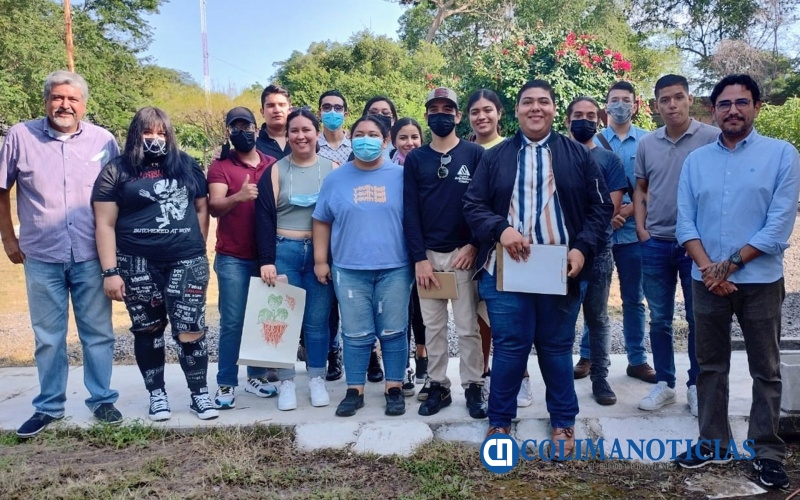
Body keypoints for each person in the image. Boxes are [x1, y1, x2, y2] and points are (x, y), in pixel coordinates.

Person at [463, 79, 612, 458]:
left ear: (553, 110)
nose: (535, 108)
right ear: (516, 111)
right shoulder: (495, 156)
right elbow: (473, 206)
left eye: (543, 102)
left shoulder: (578, 155)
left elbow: (600, 210)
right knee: (510, 349)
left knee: (556, 349)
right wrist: (502, 230)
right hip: (506, 271)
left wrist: (581, 249)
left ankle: (563, 420)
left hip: (559, 271)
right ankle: (499, 421)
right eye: (527, 102)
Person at [675, 74, 800, 489]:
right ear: (714, 110)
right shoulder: (696, 161)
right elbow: (685, 221)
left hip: (760, 281)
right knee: (710, 365)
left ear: (756, 107)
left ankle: (766, 450)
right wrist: (709, 269)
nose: (733, 110)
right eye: (725, 104)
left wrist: (724, 268)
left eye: (741, 102)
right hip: (704, 281)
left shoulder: (782, 155)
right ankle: (713, 443)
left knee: (766, 369)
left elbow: (777, 226)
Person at [0, 70, 123, 437]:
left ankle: (102, 399)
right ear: (46, 100)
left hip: (90, 254)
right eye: (57, 97)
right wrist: (8, 239)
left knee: (98, 332)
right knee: (49, 336)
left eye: (72, 99)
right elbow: (1, 188)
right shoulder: (20, 136)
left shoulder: (104, 141)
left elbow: (119, 196)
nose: (64, 105)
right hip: (41, 255)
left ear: (84, 104)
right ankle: (49, 406)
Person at [93, 106, 217, 421]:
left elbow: (201, 207)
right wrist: (110, 272)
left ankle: (199, 394)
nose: (155, 139)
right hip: (136, 263)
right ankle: (157, 394)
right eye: (148, 132)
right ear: (136, 134)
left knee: (191, 329)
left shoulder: (186, 165)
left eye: (161, 133)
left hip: (186, 261)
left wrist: (197, 246)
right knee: (148, 330)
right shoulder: (117, 170)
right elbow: (104, 223)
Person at [312, 115, 412, 417]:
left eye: (372, 135)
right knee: (355, 333)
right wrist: (320, 260)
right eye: (359, 134)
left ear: (385, 141)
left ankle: (394, 387)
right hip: (349, 269)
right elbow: (321, 219)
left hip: (395, 267)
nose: (365, 139)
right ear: (350, 139)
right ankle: (354, 389)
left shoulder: (403, 177)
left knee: (394, 330)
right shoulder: (336, 178)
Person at [633, 74, 718, 416]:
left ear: (689, 99)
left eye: (678, 97)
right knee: (660, 318)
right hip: (656, 243)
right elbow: (640, 188)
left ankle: (696, 384)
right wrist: (641, 229)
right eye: (664, 99)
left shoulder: (711, 138)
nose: (672, 105)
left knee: (699, 318)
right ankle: (665, 383)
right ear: (656, 106)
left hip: (696, 248)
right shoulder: (647, 144)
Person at [404, 87, 487, 419]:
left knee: (467, 326)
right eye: (434, 109)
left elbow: (484, 205)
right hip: (429, 259)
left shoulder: (474, 154)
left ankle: (474, 385)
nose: (441, 114)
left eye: (447, 109)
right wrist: (418, 258)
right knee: (433, 327)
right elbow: (409, 212)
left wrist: (474, 245)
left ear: (456, 115)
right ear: (427, 116)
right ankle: (438, 384)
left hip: (462, 256)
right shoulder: (416, 159)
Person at [256, 108, 336, 410]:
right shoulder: (276, 170)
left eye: (306, 130)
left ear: (317, 133)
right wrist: (266, 259)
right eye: (294, 131)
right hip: (283, 251)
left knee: (317, 321)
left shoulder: (333, 169)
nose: (300, 136)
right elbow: (263, 216)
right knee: (282, 321)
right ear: (287, 135)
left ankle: (316, 377)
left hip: (320, 254)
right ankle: (287, 382)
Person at [574, 81, 654, 384]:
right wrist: (608, 217)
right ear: (604, 107)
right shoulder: (592, 140)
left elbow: (651, 184)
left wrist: (628, 211)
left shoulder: (647, 141)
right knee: (594, 300)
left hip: (633, 233)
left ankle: (637, 359)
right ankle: (588, 355)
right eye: (614, 100)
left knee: (634, 299)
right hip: (597, 237)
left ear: (635, 105)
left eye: (626, 100)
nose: (620, 105)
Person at [466, 88, 534, 408]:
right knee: (479, 321)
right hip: (471, 252)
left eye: (488, 110)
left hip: (508, 250)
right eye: (475, 111)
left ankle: (520, 379)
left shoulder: (515, 150)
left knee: (511, 322)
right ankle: (482, 377)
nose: (482, 116)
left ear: (500, 113)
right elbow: (467, 206)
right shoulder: (464, 152)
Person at [208, 107, 279, 409]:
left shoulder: (273, 163)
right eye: (235, 127)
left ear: (255, 127)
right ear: (228, 132)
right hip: (233, 258)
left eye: (247, 126)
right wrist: (238, 197)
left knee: (262, 319)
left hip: (267, 256)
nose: (242, 132)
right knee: (233, 322)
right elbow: (214, 205)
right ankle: (226, 383)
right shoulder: (220, 166)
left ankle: (258, 376)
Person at [565, 97, 627, 405]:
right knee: (561, 317)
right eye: (578, 115)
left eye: (590, 116)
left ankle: (600, 377)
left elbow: (611, 207)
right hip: (559, 252)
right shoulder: (554, 154)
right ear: (567, 121)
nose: (584, 121)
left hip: (599, 250)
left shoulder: (608, 160)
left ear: (599, 121)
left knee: (598, 317)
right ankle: (559, 377)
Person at [390, 117, 427, 397]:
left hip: (423, 247)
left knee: (424, 309)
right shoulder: (386, 170)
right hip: (394, 250)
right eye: (403, 137)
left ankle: (424, 356)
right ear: (393, 141)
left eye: (414, 137)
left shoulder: (428, 166)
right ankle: (403, 368)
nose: (409, 143)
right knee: (400, 312)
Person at [316, 89, 350, 383]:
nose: (332, 111)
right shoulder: (307, 145)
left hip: (350, 235)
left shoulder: (359, 146)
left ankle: (370, 357)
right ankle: (332, 355)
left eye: (338, 107)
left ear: (345, 113)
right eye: (327, 107)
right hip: (319, 231)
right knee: (326, 306)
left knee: (353, 302)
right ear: (319, 112)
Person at [257, 84, 292, 160]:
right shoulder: (254, 145)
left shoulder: (301, 139)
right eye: (271, 106)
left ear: (290, 110)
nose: (277, 110)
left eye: (282, 105)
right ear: (262, 112)